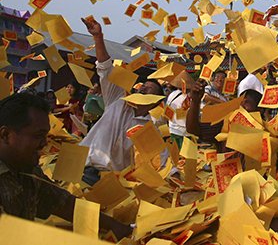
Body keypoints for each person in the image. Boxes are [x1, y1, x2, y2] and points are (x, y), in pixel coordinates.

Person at [0, 93, 131, 239]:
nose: (45, 143)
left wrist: (116, 226)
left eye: (45, 136)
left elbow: (63, 203)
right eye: (38, 136)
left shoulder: (26, 168)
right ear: (5, 135)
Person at [79, 17, 164, 186]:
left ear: (154, 103)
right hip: (81, 166)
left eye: (149, 89)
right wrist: (98, 37)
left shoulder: (149, 129)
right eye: (142, 86)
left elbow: (160, 159)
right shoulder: (117, 100)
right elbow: (104, 67)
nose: (142, 89)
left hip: (110, 180)